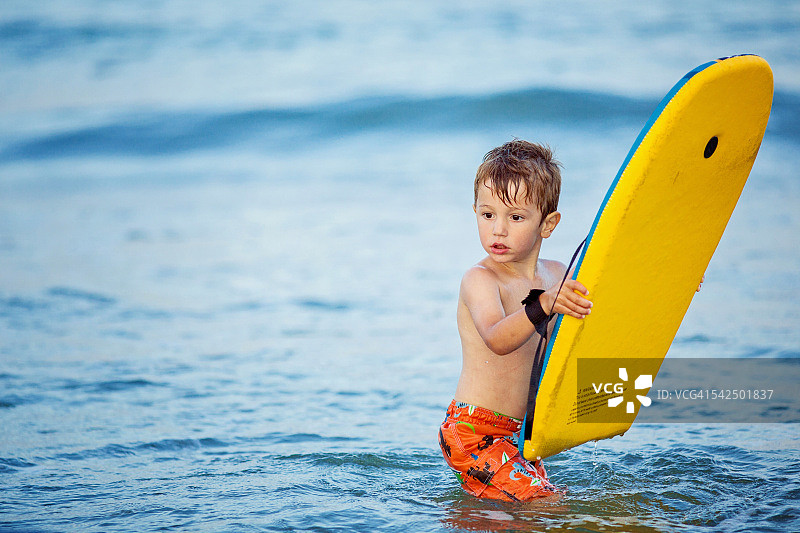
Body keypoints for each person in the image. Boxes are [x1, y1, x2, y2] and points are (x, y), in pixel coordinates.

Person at [438, 140, 593, 502]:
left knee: (521, 513)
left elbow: (601, 307)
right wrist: (544, 303)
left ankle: (470, 522)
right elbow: (497, 338)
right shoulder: (481, 279)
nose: (498, 230)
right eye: (487, 215)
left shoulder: (558, 274)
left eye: (516, 217)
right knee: (546, 505)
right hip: (474, 430)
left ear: (548, 224)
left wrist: (668, 286)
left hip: (521, 434)